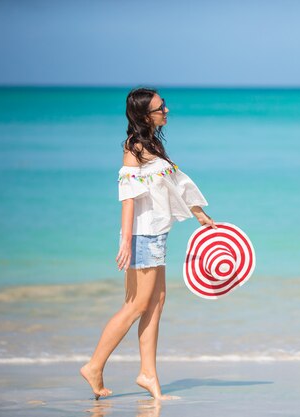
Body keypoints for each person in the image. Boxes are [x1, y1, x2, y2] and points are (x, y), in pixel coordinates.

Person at [80, 87, 217, 400]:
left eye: (164, 105)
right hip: (142, 236)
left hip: (156, 234)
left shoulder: (153, 144)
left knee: (157, 301)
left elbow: (175, 184)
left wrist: (200, 215)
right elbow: (128, 198)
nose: (166, 111)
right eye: (160, 108)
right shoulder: (134, 147)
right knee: (137, 305)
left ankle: (147, 374)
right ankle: (94, 365)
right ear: (144, 115)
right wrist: (126, 241)